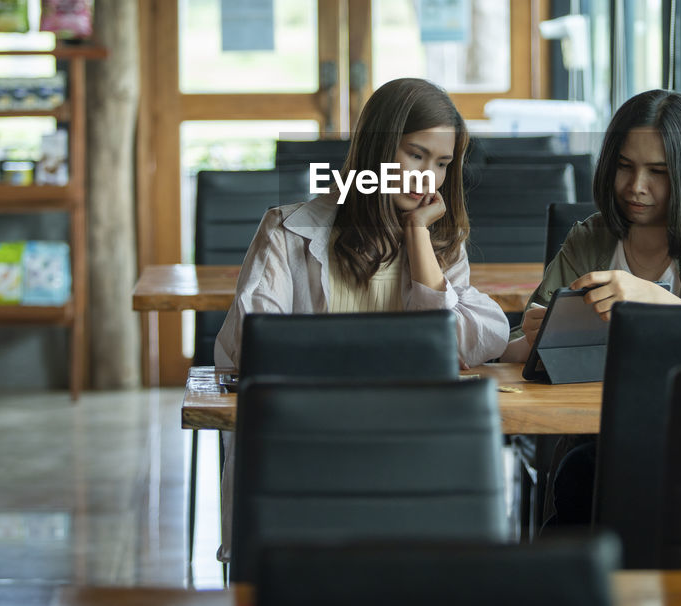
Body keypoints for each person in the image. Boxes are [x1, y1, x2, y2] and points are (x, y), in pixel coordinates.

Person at [213, 77, 510, 558]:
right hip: (308, 443)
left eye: (441, 164)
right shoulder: (288, 231)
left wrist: (416, 234)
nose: (426, 178)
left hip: (408, 447)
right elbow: (252, 345)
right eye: (415, 155)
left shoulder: (437, 243)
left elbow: (469, 341)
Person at [499, 88, 681, 527]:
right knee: (583, 474)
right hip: (597, 437)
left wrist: (649, 297)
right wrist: (536, 337)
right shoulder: (590, 241)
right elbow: (517, 348)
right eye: (624, 166)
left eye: (658, 171)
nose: (636, 186)